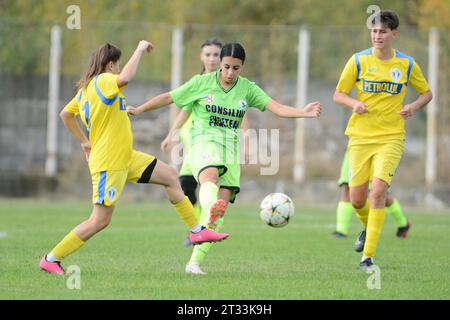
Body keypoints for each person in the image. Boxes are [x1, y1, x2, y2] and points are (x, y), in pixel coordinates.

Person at [127, 42, 322, 274]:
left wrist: (303, 112)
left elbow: (276, 108)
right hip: (203, 142)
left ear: (242, 67)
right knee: (209, 176)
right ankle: (210, 208)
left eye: (236, 68)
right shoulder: (202, 83)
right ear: (220, 63)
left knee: (218, 216)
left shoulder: (248, 89)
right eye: (227, 67)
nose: (230, 73)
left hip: (231, 152)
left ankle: (194, 263)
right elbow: (169, 98)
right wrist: (139, 109)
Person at [39, 41, 229, 275]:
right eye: (117, 64)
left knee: (170, 175)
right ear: (110, 64)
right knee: (100, 220)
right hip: (109, 162)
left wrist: (84, 141)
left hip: (126, 157)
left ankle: (196, 230)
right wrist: (139, 49)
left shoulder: (85, 90)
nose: (119, 69)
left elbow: (66, 114)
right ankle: (51, 258)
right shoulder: (104, 80)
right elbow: (125, 78)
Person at [333, 10, 432, 271]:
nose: (377, 36)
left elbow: (427, 93)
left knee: (377, 192)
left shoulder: (407, 64)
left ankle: (367, 257)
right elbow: (338, 94)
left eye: (383, 32)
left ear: (393, 35)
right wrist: (354, 103)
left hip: (391, 138)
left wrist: (413, 106)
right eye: (374, 31)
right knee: (356, 199)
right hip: (360, 138)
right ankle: (368, 228)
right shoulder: (357, 61)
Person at [160, 39, 252, 275]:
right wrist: (172, 133)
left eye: (214, 54)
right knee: (188, 188)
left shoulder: (240, 88)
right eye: (208, 55)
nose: (211, 59)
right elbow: (185, 108)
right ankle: (197, 228)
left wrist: (247, 140)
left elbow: (241, 112)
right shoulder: (198, 83)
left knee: (207, 187)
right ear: (202, 58)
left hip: (221, 145)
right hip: (196, 142)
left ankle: (200, 231)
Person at [331, 150, 411, 239]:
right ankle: (341, 230)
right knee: (346, 186)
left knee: (377, 193)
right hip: (354, 148)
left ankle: (403, 223)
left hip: (374, 149)